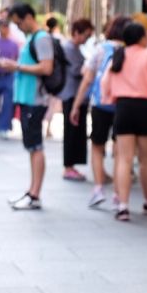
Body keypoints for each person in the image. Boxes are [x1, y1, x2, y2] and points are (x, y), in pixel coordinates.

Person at [101, 23, 147, 222]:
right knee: (146, 160)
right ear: (140, 38)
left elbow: (105, 84)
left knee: (124, 159)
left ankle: (123, 206)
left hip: (123, 108)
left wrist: (111, 99)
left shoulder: (119, 56)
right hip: (145, 108)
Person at [70, 16, 131, 207]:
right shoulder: (131, 51)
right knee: (120, 150)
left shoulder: (101, 49)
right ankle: (119, 194)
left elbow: (87, 78)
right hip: (122, 105)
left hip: (100, 104)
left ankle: (98, 189)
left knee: (97, 147)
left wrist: (76, 105)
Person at [5, 3, 53, 211]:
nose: (18, 27)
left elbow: (46, 67)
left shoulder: (41, 38)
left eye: (18, 22)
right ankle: (31, 191)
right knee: (32, 147)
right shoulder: (32, 39)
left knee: (36, 146)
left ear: (27, 18)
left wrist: (16, 66)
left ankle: (35, 194)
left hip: (35, 100)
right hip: (28, 99)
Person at [58, 19, 94, 181]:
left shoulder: (75, 49)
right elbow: (79, 70)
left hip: (76, 95)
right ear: (77, 33)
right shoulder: (69, 48)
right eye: (86, 35)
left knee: (76, 131)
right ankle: (69, 166)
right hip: (72, 95)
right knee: (71, 131)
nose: (87, 38)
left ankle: (71, 165)